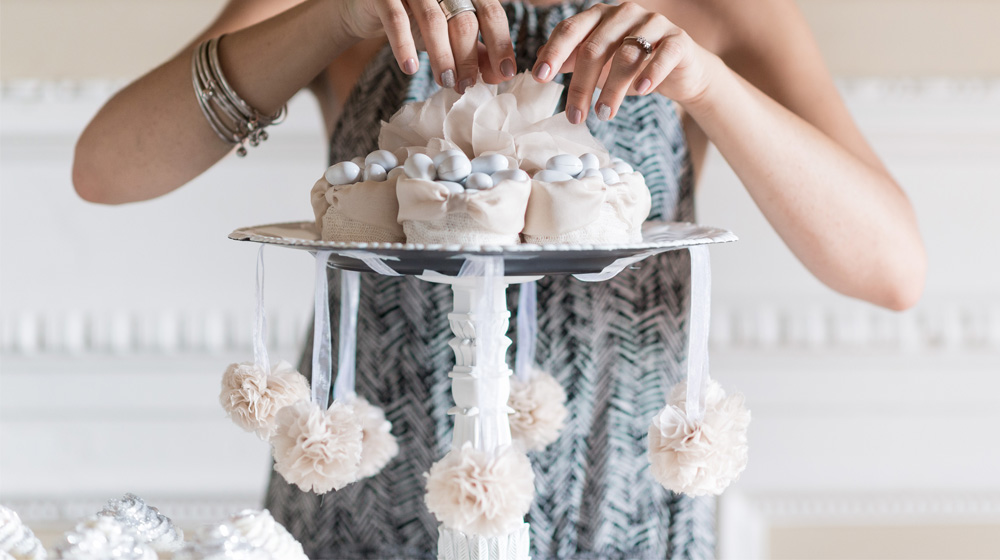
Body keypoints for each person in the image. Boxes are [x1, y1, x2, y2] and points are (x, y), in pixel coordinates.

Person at [73, 0, 926, 557]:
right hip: (366, 501)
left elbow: (891, 270)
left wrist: (709, 84)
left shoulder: (721, 10)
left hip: (621, 506)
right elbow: (106, 168)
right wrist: (333, 18)